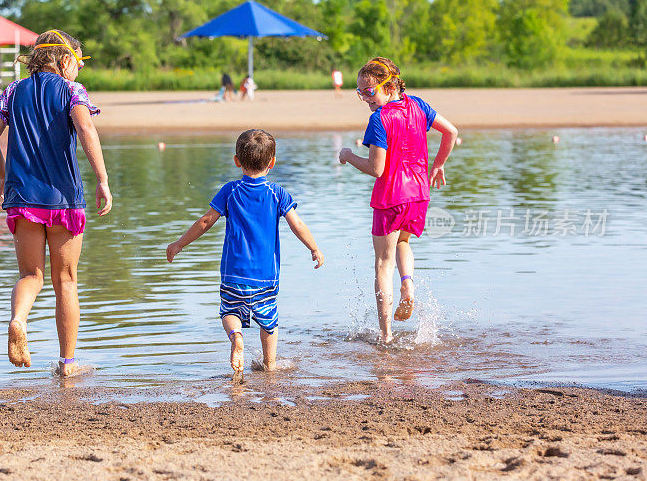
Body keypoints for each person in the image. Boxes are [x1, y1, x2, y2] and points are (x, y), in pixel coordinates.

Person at [0, 29, 113, 377]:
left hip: (22, 197)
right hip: (63, 198)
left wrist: (6, 176)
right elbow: (86, 129)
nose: (79, 71)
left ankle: (18, 319)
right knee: (66, 280)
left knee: (30, 274)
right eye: (79, 63)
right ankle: (67, 364)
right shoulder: (71, 90)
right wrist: (102, 179)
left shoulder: (12, 91)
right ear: (66, 60)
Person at [166, 129, 324, 377]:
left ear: (237, 161)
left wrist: (180, 243)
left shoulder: (230, 191)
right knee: (269, 320)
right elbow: (298, 225)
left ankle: (236, 338)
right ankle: (270, 364)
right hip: (265, 277)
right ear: (272, 162)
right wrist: (314, 248)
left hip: (233, 275)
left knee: (229, 311)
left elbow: (206, 221)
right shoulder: (277, 193)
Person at [338, 57, 457, 344]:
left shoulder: (379, 119)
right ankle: (408, 286)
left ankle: (386, 334)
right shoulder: (418, 105)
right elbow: (451, 131)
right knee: (402, 243)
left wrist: (347, 155)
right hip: (418, 195)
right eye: (359, 93)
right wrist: (438, 164)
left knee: (382, 262)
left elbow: (376, 169)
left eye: (369, 91)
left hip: (390, 197)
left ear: (389, 86)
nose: (365, 98)